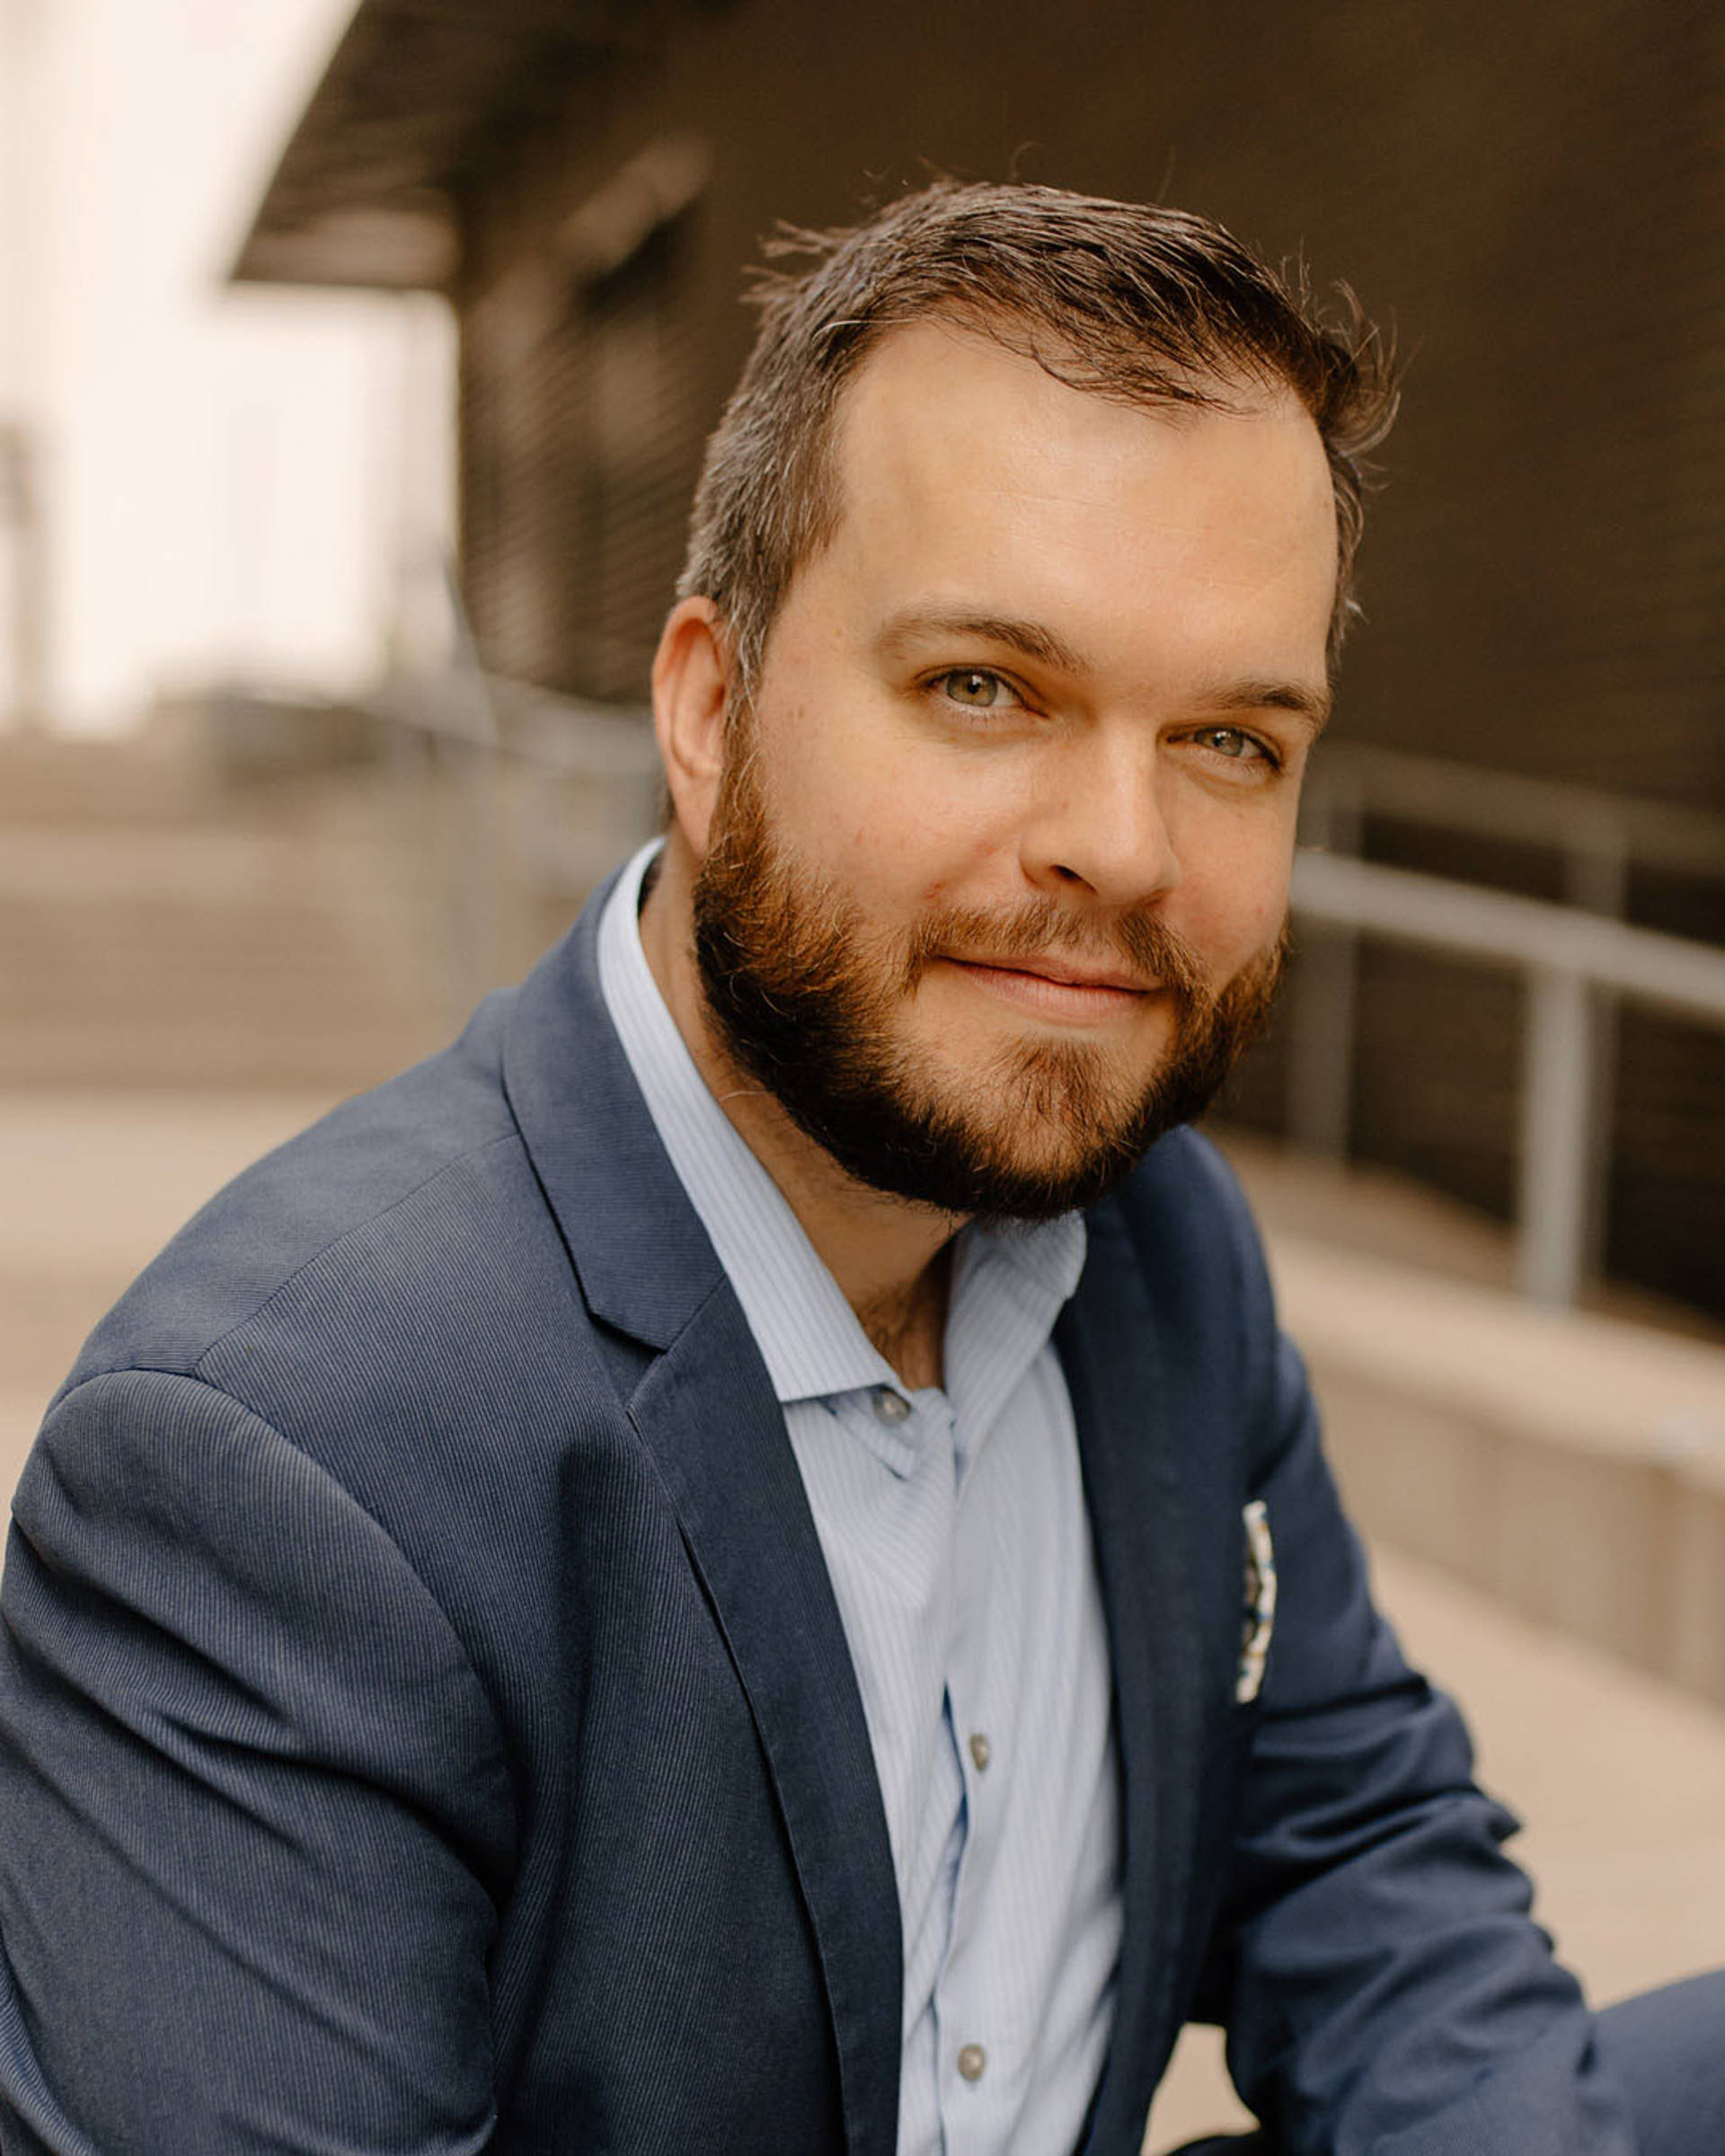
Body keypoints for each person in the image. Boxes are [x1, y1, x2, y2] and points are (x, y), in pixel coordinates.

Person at [0, 181, 1719, 2156]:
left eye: (1232, 739)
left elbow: (1351, 1842)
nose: (1125, 848)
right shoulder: (275, 1462)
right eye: (986, 687)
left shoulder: (1163, 1254)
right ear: (712, 716)